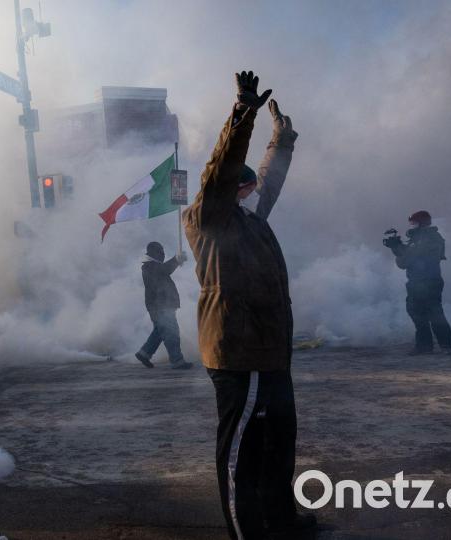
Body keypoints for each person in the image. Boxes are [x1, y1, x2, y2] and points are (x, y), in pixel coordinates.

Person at [184, 71, 314, 539]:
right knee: (243, 451)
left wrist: (282, 138)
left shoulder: (247, 217)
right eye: (241, 188)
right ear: (226, 190)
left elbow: (268, 180)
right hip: (239, 354)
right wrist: (243, 115)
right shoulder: (208, 219)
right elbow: (221, 171)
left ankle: (280, 519)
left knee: (279, 443)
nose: (250, 192)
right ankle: (247, 530)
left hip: (270, 352)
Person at [388, 211, 451, 354]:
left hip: (427, 282)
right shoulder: (423, 238)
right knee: (419, 314)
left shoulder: (428, 239)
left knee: (433, 314)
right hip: (420, 282)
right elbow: (408, 256)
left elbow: (406, 260)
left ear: (422, 223)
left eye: (414, 223)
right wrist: (398, 247)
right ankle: (428, 347)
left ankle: (444, 347)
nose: (412, 226)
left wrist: (397, 248)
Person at [135, 241, 192, 369]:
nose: (163, 253)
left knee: (160, 332)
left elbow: (164, 270)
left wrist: (177, 261)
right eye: (160, 251)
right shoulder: (149, 266)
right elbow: (164, 270)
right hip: (161, 306)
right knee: (171, 333)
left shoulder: (152, 266)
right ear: (153, 252)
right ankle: (177, 361)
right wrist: (176, 260)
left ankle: (144, 353)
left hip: (160, 306)